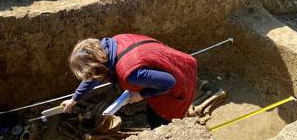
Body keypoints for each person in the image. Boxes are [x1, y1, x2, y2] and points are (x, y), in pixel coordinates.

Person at [61, 33, 197, 129]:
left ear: (98, 67)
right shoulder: (113, 43)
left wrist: (141, 95)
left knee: (159, 123)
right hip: (172, 63)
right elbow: (95, 72)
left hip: (180, 81)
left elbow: (169, 82)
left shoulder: (130, 73)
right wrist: (75, 99)